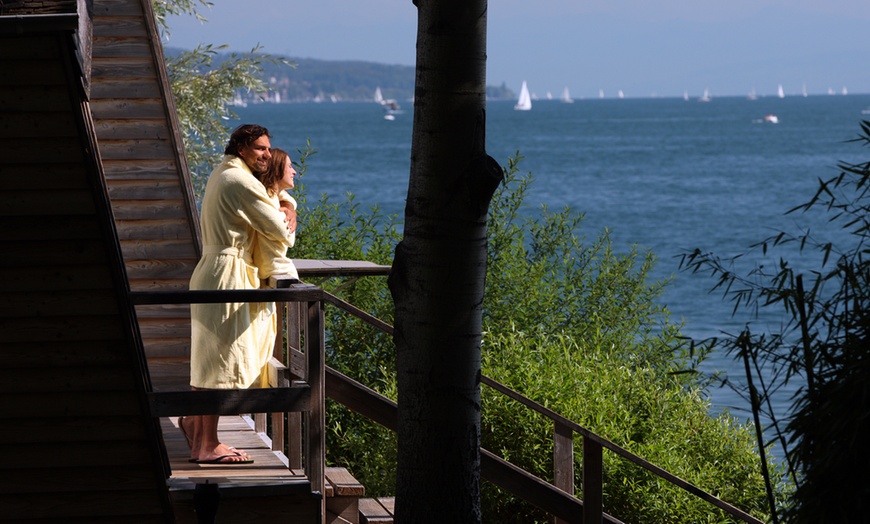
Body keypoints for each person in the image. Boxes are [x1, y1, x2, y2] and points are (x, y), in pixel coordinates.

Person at [181, 124, 295, 464]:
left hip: (213, 269)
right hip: (226, 275)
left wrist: (287, 201)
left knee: (209, 360)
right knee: (219, 362)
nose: (266, 155)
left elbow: (271, 199)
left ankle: (196, 429)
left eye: (268, 149)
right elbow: (280, 233)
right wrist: (288, 212)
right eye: (259, 148)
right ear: (242, 147)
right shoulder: (240, 181)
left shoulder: (226, 173)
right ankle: (208, 445)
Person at [251, 147, 300, 283]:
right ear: (277, 169)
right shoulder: (267, 201)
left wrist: (289, 206)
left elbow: (282, 196)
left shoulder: (273, 198)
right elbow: (288, 237)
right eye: (289, 167)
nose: (294, 172)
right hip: (275, 271)